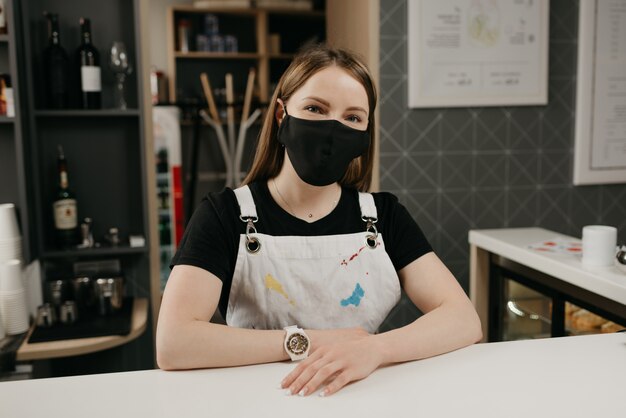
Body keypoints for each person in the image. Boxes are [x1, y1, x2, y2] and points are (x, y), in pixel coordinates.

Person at [156, 44, 482, 397]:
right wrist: (304, 342)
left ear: (364, 134)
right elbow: (174, 342)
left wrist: (374, 349)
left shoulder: (383, 217)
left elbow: (463, 319)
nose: (333, 128)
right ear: (282, 115)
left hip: (357, 396)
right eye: (315, 109)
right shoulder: (225, 215)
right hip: (259, 399)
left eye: (352, 117)